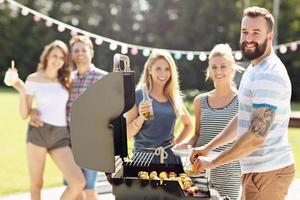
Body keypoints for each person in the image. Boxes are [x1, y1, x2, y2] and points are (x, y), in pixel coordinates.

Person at [190, 6, 295, 200]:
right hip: (256, 171)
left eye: (256, 32)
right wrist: (209, 147)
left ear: (269, 36)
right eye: (245, 31)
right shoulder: (254, 70)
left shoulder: (268, 74)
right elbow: (244, 118)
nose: (248, 38)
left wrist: (213, 162)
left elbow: (256, 135)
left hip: (269, 172)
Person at [30, 35, 108, 200]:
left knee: (89, 188)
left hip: (91, 144)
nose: (80, 53)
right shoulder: (67, 79)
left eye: (83, 50)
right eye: (76, 50)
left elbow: (111, 111)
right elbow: (51, 99)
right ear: (72, 55)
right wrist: (33, 110)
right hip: (67, 142)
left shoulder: (102, 78)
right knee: (75, 188)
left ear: (91, 53)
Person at [11, 40, 86, 200]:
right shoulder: (33, 79)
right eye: (54, 55)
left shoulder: (66, 80)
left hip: (60, 135)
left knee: (78, 182)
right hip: (38, 133)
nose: (57, 60)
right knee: (36, 184)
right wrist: (23, 92)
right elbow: (25, 114)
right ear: (46, 57)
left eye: (61, 57)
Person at [175, 44, 242, 199]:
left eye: (223, 66)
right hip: (199, 171)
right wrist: (185, 144)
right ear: (209, 70)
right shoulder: (200, 101)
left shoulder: (242, 101)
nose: (218, 71)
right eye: (214, 67)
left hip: (229, 172)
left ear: (232, 68)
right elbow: (198, 134)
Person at [126, 50, 192, 164]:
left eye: (167, 69)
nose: (163, 73)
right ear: (150, 70)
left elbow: (188, 125)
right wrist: (141, 117)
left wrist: (176, 142)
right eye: (158, 69)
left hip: (170, 159)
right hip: (143, 160)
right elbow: (126, 134)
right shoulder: (137, 96)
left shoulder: (173, 97)